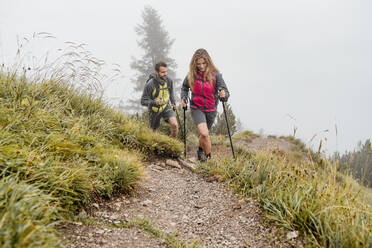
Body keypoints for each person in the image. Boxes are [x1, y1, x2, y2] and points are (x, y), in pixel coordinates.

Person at [181, 48, 230, 161]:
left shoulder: (216, 75)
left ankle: (200, 150)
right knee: (205, 133)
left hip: (211, 109)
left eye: (203, 63)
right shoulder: (191, 75)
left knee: (204, 135)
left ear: (208, 62)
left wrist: (224, 94)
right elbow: (184, 87)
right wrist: (184, 97)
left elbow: (226, 92)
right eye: (198, 64)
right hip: (196, 108)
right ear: (194, 63)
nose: (201, 66)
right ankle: (209, 160)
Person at [141, 61, 178, 138]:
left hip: (166, 106)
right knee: (153, 133)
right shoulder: (150, 84)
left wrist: (173, 103)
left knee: (174, 125)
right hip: (154, 110)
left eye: (166, 71)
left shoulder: (169, 81)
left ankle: (173, 146)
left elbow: (171, 93)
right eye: (162, 72)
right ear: (157, 72)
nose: (165, 74)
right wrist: (154, 102)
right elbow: (143, 101)